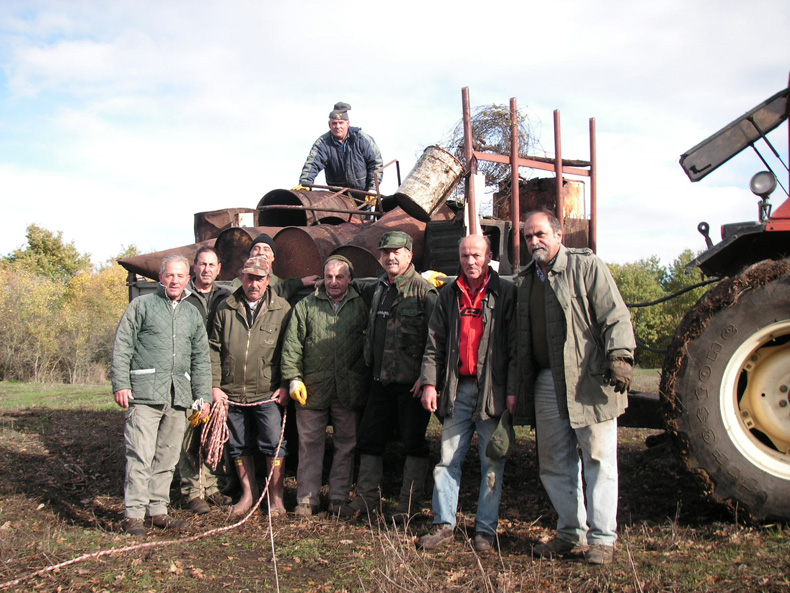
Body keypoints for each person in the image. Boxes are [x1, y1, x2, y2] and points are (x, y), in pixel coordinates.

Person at [514, 210, 635, 565]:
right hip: (547, 382)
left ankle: (602, 539)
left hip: (589, 378)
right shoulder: (525, 280)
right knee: (553, 462)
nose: (533, 241)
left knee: (598, 458)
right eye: (527, 237)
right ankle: (570, 533)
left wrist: (621, 356)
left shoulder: (586, 267)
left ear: (558, 234)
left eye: (539, 234)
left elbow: (614, 313)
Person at [417, 234, 517, 552]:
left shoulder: (506, 293)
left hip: (493, 392)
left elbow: (516, 348)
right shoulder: (449, 294)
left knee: (493, 463)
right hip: (458, 390)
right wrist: (430, 383)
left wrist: (512, 391)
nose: (470, 261)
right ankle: (443, 523)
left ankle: (485, 530)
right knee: (447, 460)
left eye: (476, 255)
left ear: (489, 257)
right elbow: (434, 343)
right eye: (464, 256)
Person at [111, 254, 213, 536]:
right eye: (170, 275)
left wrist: (202, 396)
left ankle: (158, 510)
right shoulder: (141, 306)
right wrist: (121, 383)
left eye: (180, 276)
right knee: (140, 455)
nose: (175, 281)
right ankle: (133, 514)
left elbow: (200, 359)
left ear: (187, 278)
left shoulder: (191, 313)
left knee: (167, 458)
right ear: (160, 277)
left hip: (178, 397)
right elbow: (123, 346)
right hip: (145, 395)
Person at [343, 231, 437, 521]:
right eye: (385, 252)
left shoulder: (424, 292)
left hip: (411, 384)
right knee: (369, 439)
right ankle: (367, 499)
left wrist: (427, 377)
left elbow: (437, 340)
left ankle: (408, 505)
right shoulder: (380, 289)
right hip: (380, 381)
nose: (390, 256)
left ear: (409, 255)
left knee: (413, 442)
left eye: (396, 251)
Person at [280, 255, 370, 517]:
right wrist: (294, 377)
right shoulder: (307, 306)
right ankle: (307, 499)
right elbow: (292, 345)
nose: (333, 282)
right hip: (313, 388)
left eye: (339, 277)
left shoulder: (361, 306)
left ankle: (339, 497)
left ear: (349, 279)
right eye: (329, 276)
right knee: (310, 444)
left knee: (346, 444)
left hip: (348, 388)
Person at [209, 255, 291, 517]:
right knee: (238, 445)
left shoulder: (283, 309)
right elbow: (213, 349)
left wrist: (286, 384)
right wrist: (214, 385)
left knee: (274, 445)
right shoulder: (225, 308)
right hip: (232, 393)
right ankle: (248, 495)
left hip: (267, 393)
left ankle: (276, 499)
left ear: (268, 280)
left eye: (259, 278)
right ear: (241, 278)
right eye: (249, 278)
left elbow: (290, 349)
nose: (254, 284)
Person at [178, 246, 233, 515]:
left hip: (217, 376)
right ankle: (193, 491)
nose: (206, 269)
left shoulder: (227, 297)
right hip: (188, 377)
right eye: (202, 264)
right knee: (191, 434)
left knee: (213, 434)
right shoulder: (184, 297)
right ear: (194, 267)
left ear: (219, 268)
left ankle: (212, 488)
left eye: (211, 265)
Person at [298, 102, 383, 192]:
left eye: (341, 123)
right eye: (334, 123)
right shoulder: (323, 143)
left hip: (364, 194)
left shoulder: (362, 139)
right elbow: (312, 164)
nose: (337, 126)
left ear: (348, 123)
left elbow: (376, 164)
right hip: (338, 196)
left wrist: (373, 188)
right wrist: (305, 183)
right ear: (329, 125)